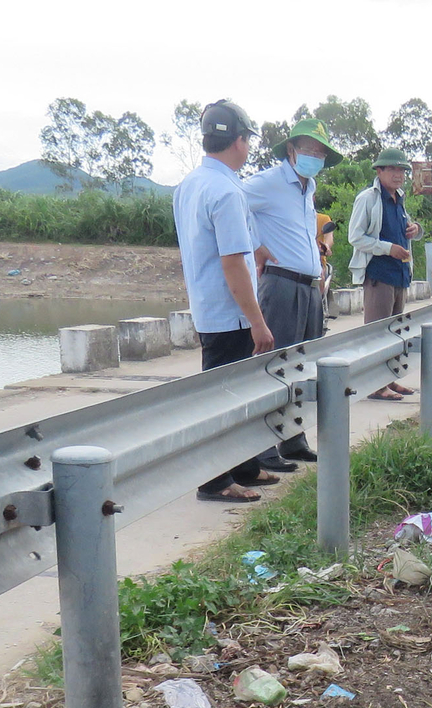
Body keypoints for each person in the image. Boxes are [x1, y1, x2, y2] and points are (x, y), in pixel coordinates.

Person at [173, 99, 274, 503]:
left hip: (208, 308)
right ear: (239, 141)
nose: (248, 146)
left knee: (235, 396)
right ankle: (214, 480)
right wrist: (258, 320)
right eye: (247, 139)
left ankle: (244, 468)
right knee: (222, 402)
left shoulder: (190, 185)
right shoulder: (227, 192)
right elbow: (233, 263)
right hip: (231, 315)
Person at [245, 116, 344, 467]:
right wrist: (255, 245)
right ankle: (264, 447)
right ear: (291, 150)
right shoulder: (268, 183)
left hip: (308, 287)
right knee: (275, 366)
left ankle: (292, 438)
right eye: (308, 149)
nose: (314, 156)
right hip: (281, 282)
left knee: (301, 366)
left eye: (320, 151)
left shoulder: (309, 187)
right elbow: (232, 204)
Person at [347, 147, 422, 399]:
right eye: (391, 169)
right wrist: (387, 248)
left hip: (400, 274)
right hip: (379, 274)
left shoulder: (399, 198)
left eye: (401, 169)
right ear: (379, 171)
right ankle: (374, 385)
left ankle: (389, 379)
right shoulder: (368, 198)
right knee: (376, 333)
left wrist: (415, 229)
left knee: (394, 333)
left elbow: (407, 229)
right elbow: (355, 237)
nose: (398, 174)